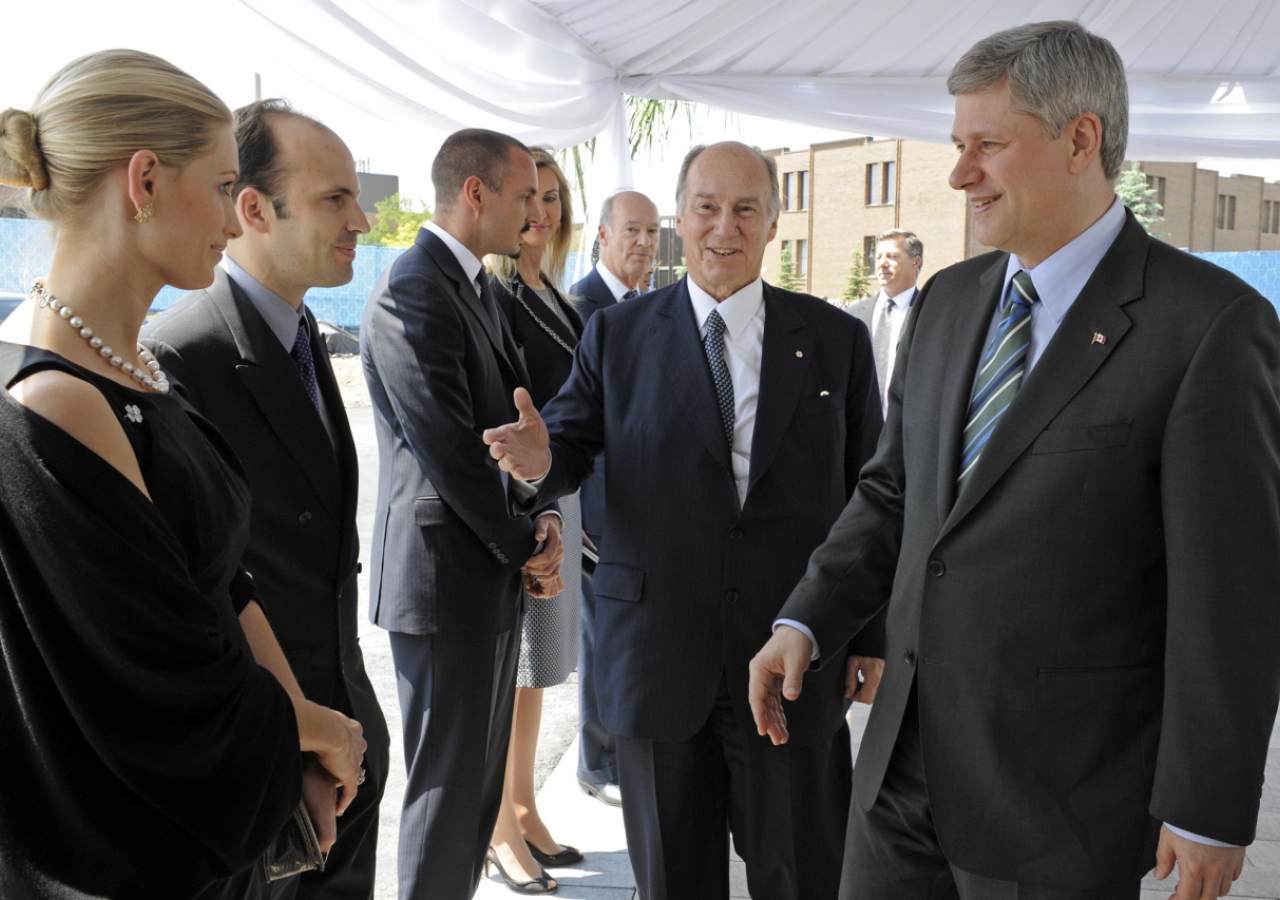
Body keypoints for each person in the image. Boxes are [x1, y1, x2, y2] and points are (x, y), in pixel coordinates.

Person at [748, 20, 1280, 900]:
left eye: (987, 145)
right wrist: (804, 619)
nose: (960, 175)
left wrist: (1209, 805)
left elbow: (1232, 592)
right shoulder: (949, 300)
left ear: (1082, 139)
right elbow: (890, 496)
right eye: (959, 146)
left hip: (1061, 806)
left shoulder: (1210, 326)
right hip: (899, 780)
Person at [0, 49, 364, 900]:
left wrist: (307, 738)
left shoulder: (131, 366)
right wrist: (310, 729)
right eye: (221, 185)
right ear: (145, 182)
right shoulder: (58, 399)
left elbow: (220, 582)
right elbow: (162, 685)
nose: (237, 223)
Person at [484, 141, 885, 900]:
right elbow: (568, 444)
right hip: (659, 657)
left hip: (795, 655)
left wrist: (869, 632)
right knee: (673, 880)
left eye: (744, 209)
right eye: (706, 207)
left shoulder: (835, 341)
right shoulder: (618, 334)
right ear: (680, 218)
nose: (722, 227)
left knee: (803, 874)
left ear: (772, 221)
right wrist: (538, 460)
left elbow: (872, 495)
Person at [143, 99, 391, 900]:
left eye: (356, 196)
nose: (363, 217)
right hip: (272, 769)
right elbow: (197, 596)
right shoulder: (181, 358)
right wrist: (292, 743)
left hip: (342, 739)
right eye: (335, 199)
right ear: (252, 208)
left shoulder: (304, 331)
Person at [360, 128, 564, 900]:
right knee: (446, 795)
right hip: (445, 579)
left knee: (477, 795)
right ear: (475, 193)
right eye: (523, 197)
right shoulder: (415, 287)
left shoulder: (478, 284)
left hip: (488, 567)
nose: (534, 214)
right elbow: (449, 448)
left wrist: (541, 520)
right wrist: (527, 543)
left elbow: (523, 423)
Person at [484, 146, 585, 894]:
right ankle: (496, 825)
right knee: (512, 669)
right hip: (521, 500)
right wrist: (528, 515)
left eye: (552, 197)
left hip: (562, 495)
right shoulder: (496, 295)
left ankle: (523, 800)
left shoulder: (554, 292)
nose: (541, 210)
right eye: (531, 195)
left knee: (541, 667)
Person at [567, 188, 660, 807]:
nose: (645, 243)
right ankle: (597, 763)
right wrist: (588, 515)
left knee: (632, 636)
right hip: (599, 514)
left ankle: (624, 750)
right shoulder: (582, 308)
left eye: (653, 232)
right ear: (601, 235)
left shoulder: (655, 306)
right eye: (632, 230)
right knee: (600, 636)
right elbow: (576, 423)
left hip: (647, 509)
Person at [846, 229, 922, 416]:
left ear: (915, 262)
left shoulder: (930, 313)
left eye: (892, 256)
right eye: (878, 256)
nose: (881, 263)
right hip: (858, 432)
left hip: (905, 433)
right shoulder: (853, 315)